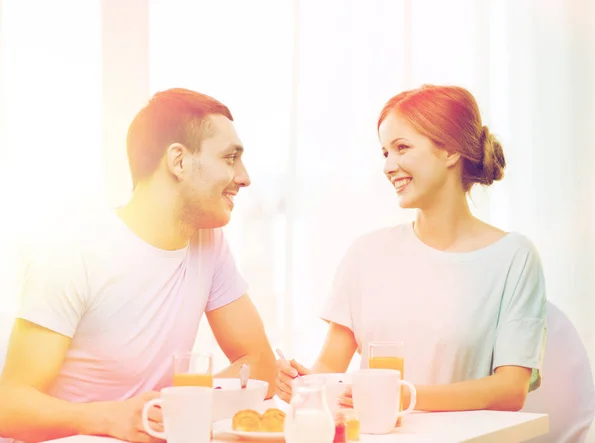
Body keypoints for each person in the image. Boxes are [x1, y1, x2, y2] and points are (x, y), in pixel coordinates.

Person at [0, 88, 277, 442]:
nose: (244, 177)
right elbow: (8, 407)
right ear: (179, 161)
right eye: (230, 158)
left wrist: (174, 406)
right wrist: (104, 417)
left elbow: (261, 364)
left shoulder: (209, 243)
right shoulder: (73, 251)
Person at [276, 84, 547, 413]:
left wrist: (409, 397)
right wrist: (304, 384)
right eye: (385, 152)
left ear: (450, 151)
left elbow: (511, 389)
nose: (388, 166)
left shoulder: (513, 257)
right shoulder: (366, 254)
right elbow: (329, 369)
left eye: (401, 148)